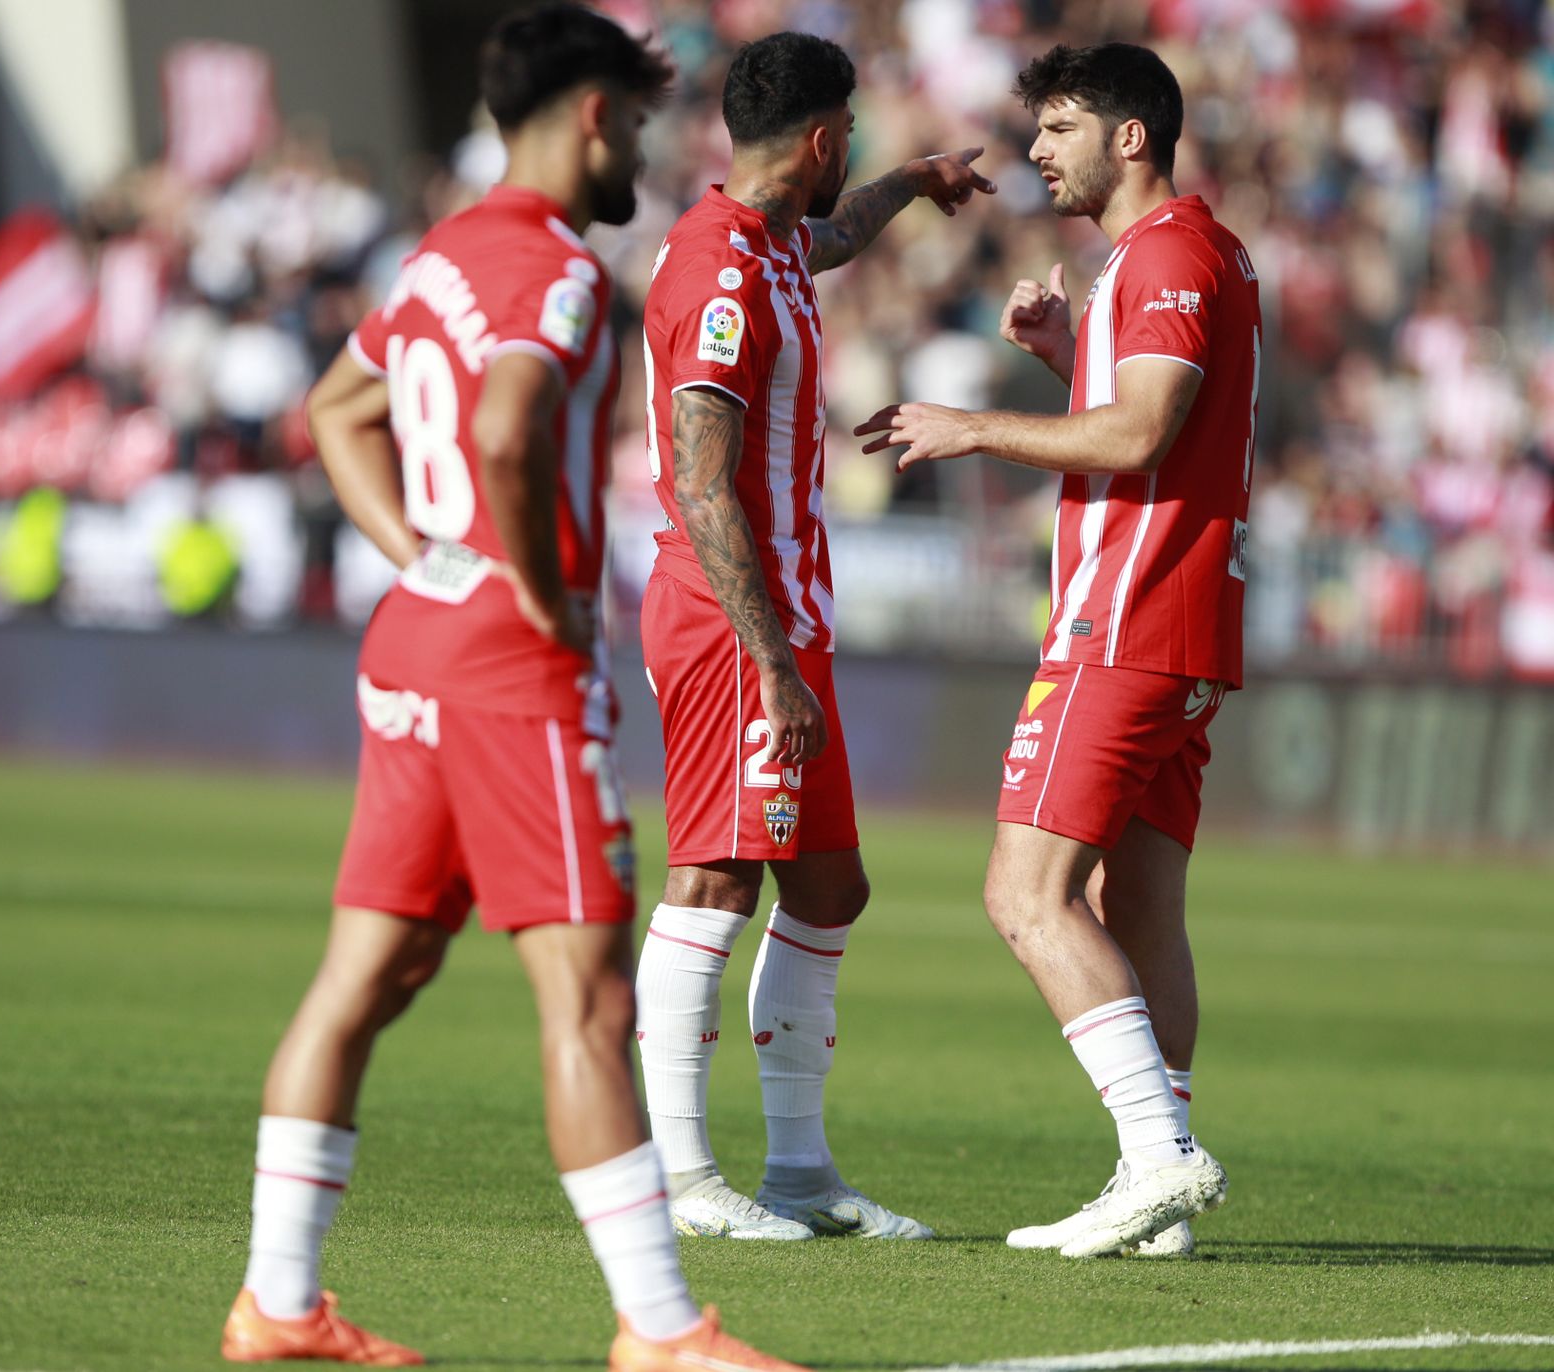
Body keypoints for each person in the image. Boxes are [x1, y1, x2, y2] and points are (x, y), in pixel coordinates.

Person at [221, 8, 808, 1368]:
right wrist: (531, 589)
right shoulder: (554, 275)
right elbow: (504, 425)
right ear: (594, 113)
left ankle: (279, 1302)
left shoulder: (435, 261)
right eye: (641, 125)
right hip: (506, 673)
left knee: (363, 978)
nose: (645, 156)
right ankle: (662, 1333)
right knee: (590, 1002)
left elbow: (334, 411)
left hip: (414, 649)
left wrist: (425, 560)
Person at [856, 42, 1261, 1259]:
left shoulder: (1170, 253)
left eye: (1062, 126)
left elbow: (1140, 437)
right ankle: (1161, 1195)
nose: (1036, 149)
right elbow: (1164, 421)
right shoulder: (1188, 252)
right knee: (1132, 900)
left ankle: (1157, 1156)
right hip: (1181, 623)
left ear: (1131, 136)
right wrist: (1062, 354)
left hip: (1126, 617)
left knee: (1023, 893)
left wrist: (971, 423)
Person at [635, 31, 994, 1241]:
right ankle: (682, 1181)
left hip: (789, 625)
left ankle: (798, 1173)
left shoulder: (774, 241)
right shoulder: (718, 277)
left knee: (829, 886)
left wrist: (920, 183)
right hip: (733, 622)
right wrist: (772, 663)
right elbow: (698, 480)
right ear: (826, 135)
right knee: (714, 875)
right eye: (863, 143)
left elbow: (833, 237)